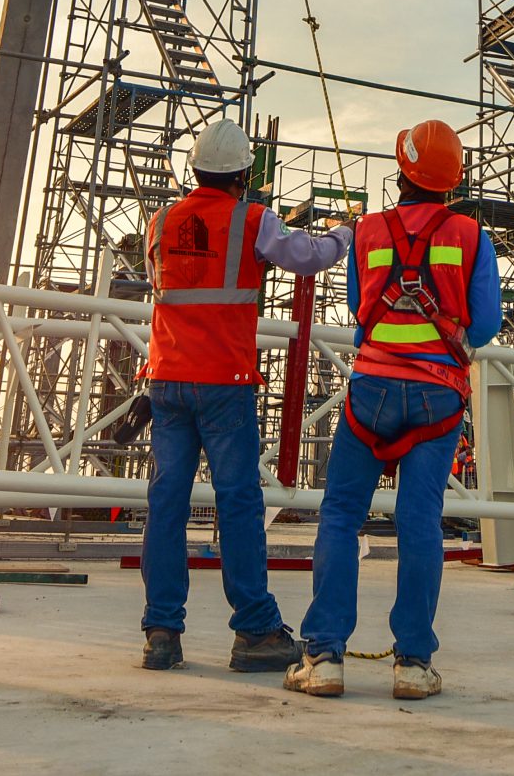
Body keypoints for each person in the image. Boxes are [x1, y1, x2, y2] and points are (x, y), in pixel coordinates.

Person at [287, 119, 500, 703]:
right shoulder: (472, 236)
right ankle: (412, 663)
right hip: (438, 396)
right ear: (453, 180)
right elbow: (485, 324)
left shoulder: (367, 231)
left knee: (340, 515)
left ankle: (324, 657)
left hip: (372, 391)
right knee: (419, 521)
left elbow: (360, 311)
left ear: (402, 170)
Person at [140, 118, 354, 673]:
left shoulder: (160, 222)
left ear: (195, 169)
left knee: (166, 502)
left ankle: (161, 631)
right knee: (237, 502)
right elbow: (307, 256)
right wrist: (345, 234)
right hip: (223, 383)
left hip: (165, 380)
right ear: (244, 174)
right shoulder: (251, 219)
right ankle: (255, 630)